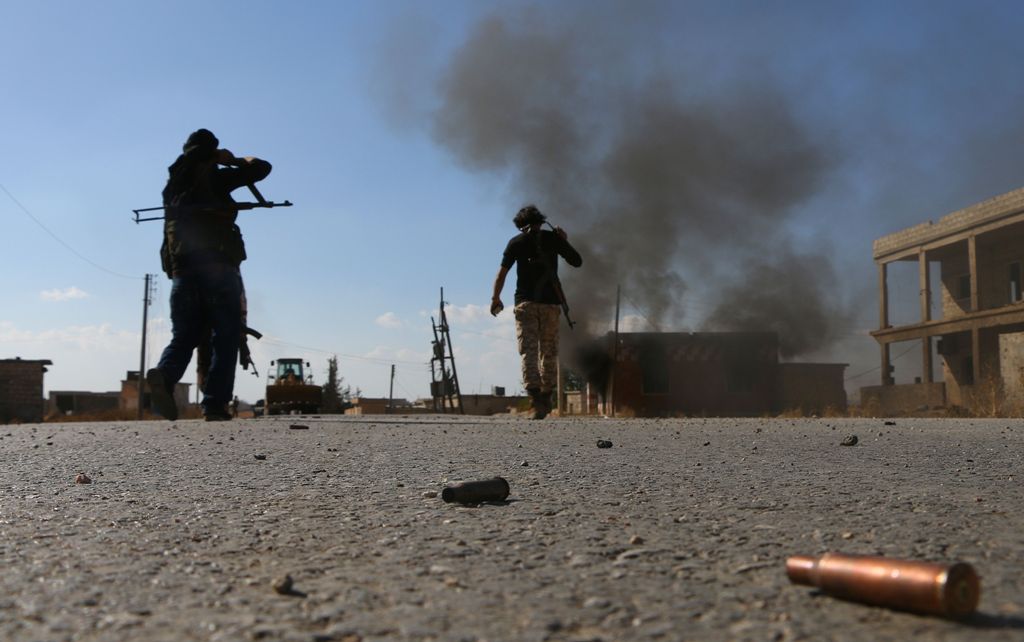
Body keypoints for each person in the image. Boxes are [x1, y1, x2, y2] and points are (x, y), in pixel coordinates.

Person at [146, 128, 272, 421]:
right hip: (218, 270)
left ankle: (164, 376)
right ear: (211, 152)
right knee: (225, 336)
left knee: (184, 337)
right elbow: (262, 168)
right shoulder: (216, 177)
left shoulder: (173, 187)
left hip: (182, 274)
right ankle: (214, 404)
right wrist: (233, 160)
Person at [491, 205, 582, 419]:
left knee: (528, 352)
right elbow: (577, 261)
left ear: (520, 226)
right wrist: (563, 240)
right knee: (548, 352)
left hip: (526, 305)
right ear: (541, 222)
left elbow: (501, 274)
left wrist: (495, 298)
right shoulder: (553, 239)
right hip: (551, 306)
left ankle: (536, 401)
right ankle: (547, 397)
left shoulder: (516, 242)